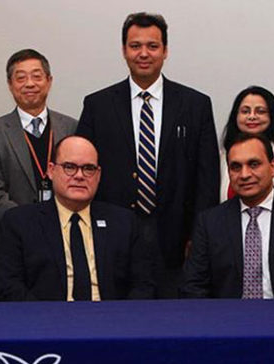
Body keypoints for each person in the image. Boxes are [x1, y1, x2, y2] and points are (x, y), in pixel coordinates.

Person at [76, 12, 220, 298]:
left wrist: (199, 236)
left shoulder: (195, 105)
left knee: (174, 320)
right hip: (112, 235)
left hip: (176, 239)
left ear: (165, 51)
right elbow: (84, 170)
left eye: (152, 46)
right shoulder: (98, 105)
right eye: (135, 46)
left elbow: (207, 177)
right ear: (124, 51)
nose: (144, 53)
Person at [0, 136, 155, 301]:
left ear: (98, 175)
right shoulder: (20, 223)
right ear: (51, 170)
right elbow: (6, 286)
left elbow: (143, 285)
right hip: (44, 321)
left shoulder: (124, 223)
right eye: (69, 167)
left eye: (88, 168)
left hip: (110, 319)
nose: (79, 176)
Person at [181, 134, 274, 299]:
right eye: (236, 167)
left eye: (254, 164)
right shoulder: (209, 223)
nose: (244, 174)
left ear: (273, 167)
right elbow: (194, 287)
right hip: (227, 319)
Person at [0, 49, 78, 271]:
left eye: (37, 76)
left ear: (49, 82)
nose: (29, 83)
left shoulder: (71, 127)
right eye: (21, 78)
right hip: (9, 244)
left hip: (65, 243)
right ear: (10, 85)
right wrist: (33, 229)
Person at [219, 86, 274, 201]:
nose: (252, 117)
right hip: (230, 218)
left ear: (272, 115)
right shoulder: (228, 150)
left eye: (260, 111)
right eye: (245, 111)